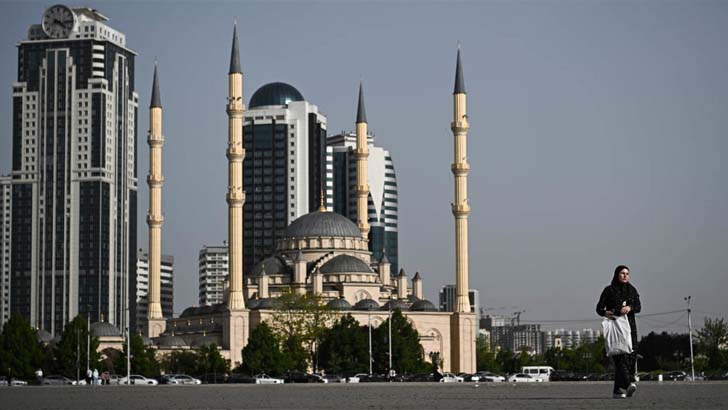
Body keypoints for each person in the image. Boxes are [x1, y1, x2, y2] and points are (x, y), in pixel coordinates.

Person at [596, 265, 641, 399]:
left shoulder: (632, 290)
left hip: (630, 328)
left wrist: (630, 308)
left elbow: (638, 307)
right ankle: (627, 385)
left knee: (630, 357)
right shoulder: (609, 290)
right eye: (622, 273)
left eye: (627, 273)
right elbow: (599, 309)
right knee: (619, 357)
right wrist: (606, 313)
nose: (625, 276)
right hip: (615, 327)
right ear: (617, 274)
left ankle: (617, 391)